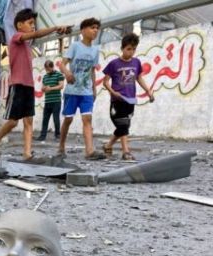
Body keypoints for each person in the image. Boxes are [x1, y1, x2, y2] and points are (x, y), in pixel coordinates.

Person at [0, 9, 70, 161]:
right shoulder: (16, 37)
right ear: (19, 25)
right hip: (17, 85)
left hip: (28, 86)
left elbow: (36, 35)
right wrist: (54, 28)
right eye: (30, 23)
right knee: (13, 121)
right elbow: (36, 34)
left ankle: (27, 153)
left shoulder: (27, 45)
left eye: (34, 23)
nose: (33, 26)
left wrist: (58, 31)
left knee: (28, 121)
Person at [58, 18, 105, 160]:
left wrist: (94, 89)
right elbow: (62, 64)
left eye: (97, 28)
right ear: (83, 30)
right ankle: (61, 146)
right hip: (72, 91)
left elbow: (92, 70)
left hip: (86, 91)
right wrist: (67, 73)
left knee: (87, 119)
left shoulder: (95, 50)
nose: (95, 30)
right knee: (68, 120)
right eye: (92, 27)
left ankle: (89, 151)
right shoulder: (75, 46)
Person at [102, 33, 154, 160]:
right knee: (123, 125)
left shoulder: (136, 62)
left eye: (134, 49)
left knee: (124, 126)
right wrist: (113, 92)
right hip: (118, 100)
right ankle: (126, 152)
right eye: (128, 49)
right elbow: (105, 82)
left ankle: (108, 145)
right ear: (122, 48)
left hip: (130, 100)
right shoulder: (114, 64)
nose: (131, 52)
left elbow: (139, 78)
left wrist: (148, 90)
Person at [37, 60, 65, 141]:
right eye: (46, 69)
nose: (47, 71)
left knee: (56, 119)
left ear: (52, 67)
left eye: (48, 69)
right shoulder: (45, 77)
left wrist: (51, 88)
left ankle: (57, 135)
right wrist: (44, 88)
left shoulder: (59, 75)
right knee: (45, 119)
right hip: (47, 101)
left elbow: (61, 86)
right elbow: (43, 88)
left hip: (56, 101)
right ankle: (42, 136)